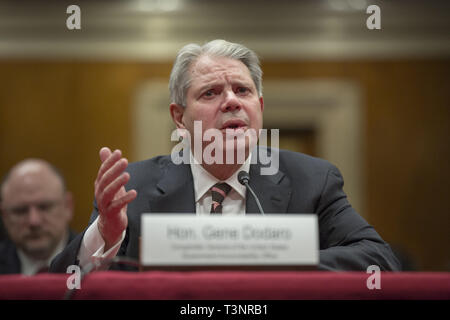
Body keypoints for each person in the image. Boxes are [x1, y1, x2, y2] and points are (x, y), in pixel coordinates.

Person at [50, 39, 400, 272]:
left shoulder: (312, 179)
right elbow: (63, 281)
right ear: (178, 117)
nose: (232, 100)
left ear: (259, 107)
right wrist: (107, 237)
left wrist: (273, 260)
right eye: (211, 92)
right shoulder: (135, 187)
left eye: (243, 90)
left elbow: (379, 260)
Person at [0, 159, 76, 275]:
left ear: (68, 207)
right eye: (20, 211)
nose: (34, 221)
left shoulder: (98, 264)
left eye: (44, 207)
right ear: (4, 216)